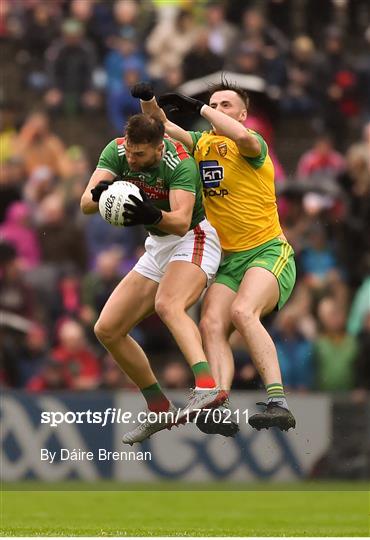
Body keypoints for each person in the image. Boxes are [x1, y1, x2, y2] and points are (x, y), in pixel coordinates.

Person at [132, 80, 296, 433]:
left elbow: (242, 137)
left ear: (242, 113)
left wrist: (200, 108)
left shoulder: (253, 145)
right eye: (214, 105)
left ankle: (278, 401)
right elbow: (163, 127)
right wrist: (148, 99)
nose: (218, 109)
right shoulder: (202, 144)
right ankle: (217, 402)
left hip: (268, 251)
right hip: (231, 259)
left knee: (242, 312)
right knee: (210, 324)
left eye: (226, 105)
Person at [80, 113, 226, 444]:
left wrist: (149, 212)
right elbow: (85, 204)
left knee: (169, 304)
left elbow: (180, 221)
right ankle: (159, 407)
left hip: (193, 237)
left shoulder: (180, 163)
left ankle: (207, 386)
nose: (132, 159)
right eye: (130, 152)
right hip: (158, 246)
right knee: (107, 329)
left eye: (140, 155)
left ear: (159, 148)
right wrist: (104, 192)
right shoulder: (117, 151)